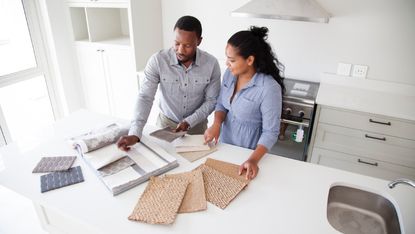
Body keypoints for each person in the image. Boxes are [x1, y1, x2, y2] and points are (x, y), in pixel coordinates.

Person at [117, 15, 221, 151]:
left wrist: (188, 122)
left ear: (199, 41)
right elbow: (145, 97)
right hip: (165, 126)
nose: (180, 50)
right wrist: (135, 133)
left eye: (187, 45)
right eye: (177, 43)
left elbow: (212, 101)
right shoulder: (158, 61)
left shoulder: (211, 64)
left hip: (197, 129)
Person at [204, 26, 284, 180]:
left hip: (248, 155)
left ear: (250, 60)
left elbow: (270, 132)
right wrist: (216, 124)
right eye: (227, 58)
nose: (227, 63)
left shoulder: (268, 88)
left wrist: (253, 160)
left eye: (232, 60)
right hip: (224, 148)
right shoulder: (230, 74)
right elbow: (221, 104)